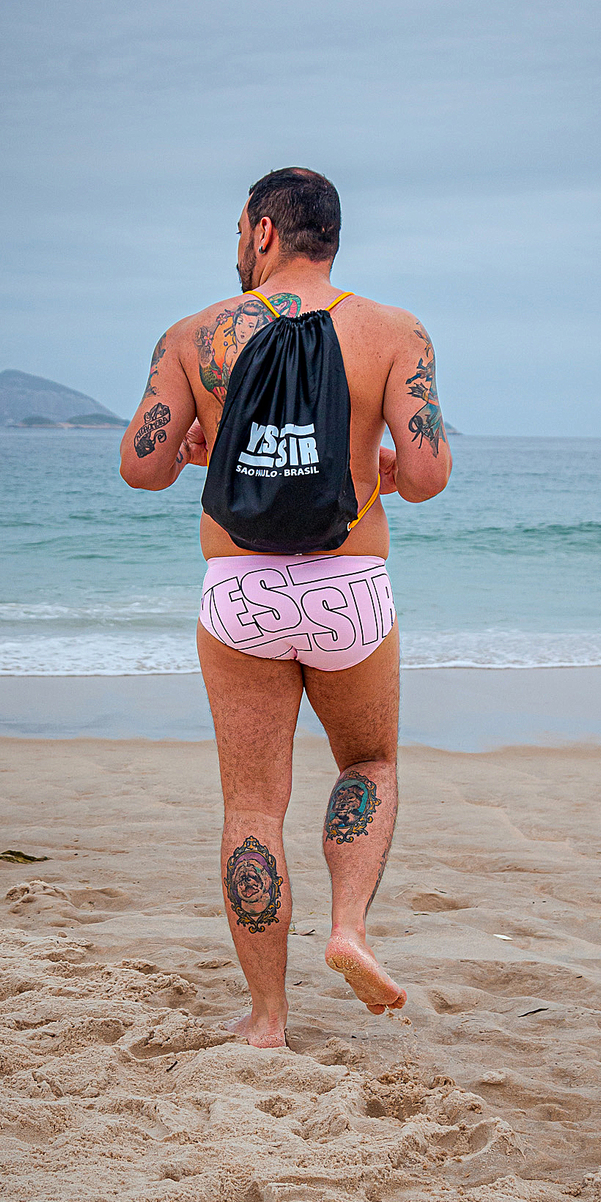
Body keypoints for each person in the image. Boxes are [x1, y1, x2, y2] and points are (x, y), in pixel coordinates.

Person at [120, 167, 451, 1047]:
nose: (237, 245)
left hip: (242, 595)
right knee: (369, 762)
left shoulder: (193, 336)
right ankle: (349, 928)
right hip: (349, 590)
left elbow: (142, 467)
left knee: (253, 808)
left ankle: (267, 1018)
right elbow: (426, 477)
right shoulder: (396, 332)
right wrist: (373, 465)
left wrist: (205, 446)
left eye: (240, 230)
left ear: (264, 232)